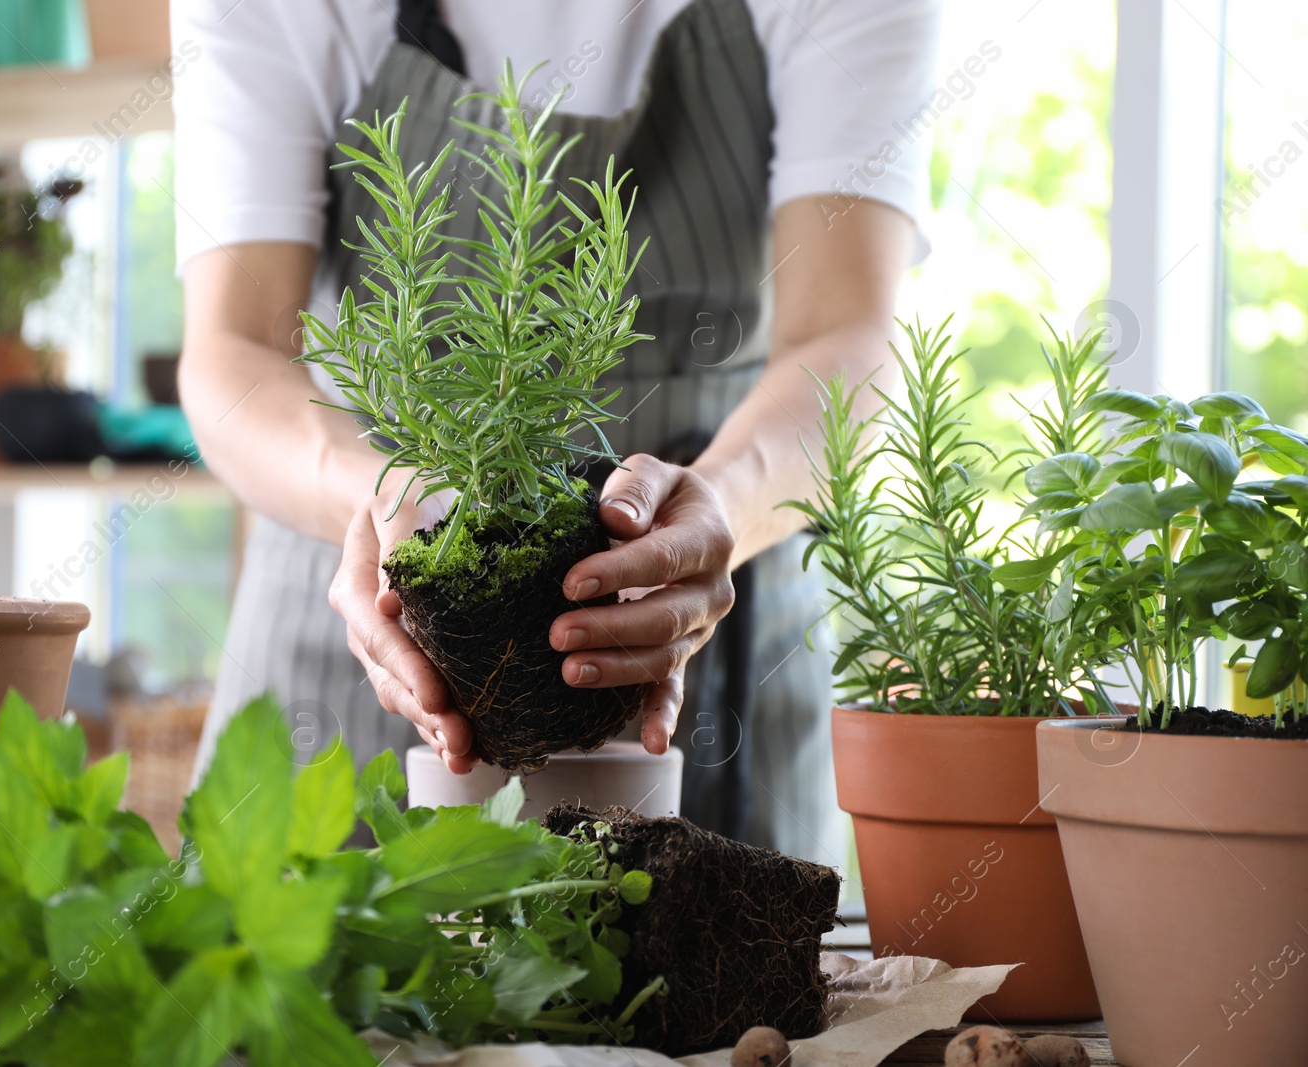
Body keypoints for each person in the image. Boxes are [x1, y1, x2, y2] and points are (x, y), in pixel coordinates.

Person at [173, 0, 938, 862]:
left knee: (722, 978)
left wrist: (719, 506)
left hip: (712, 613)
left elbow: (846, 335)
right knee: (303, 979)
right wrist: (389, 492)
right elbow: (232, 348)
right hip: (365, 600)